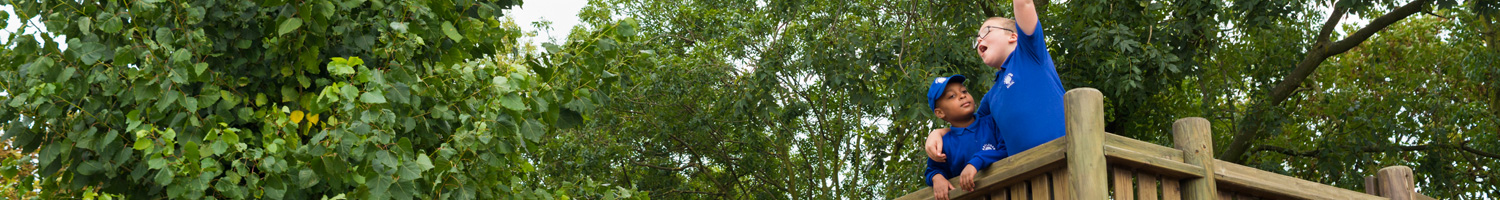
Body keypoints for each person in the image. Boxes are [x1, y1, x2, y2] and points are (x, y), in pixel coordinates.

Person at [924, 0, 1065, 164]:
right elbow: (969, 125)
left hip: (1064, 157)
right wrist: (939, 133)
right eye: (976, 40)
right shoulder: (992, 97)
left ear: (1013, 36)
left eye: (986, 32)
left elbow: (1024, 3)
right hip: (1026, 177)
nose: (979, 41)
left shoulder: (1029, 55)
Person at [921, 75, 1008, 200]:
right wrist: (937, 178)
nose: (962, 96)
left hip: (1005, 192)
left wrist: (975, 162)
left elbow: (1006, 149)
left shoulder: (992, 122)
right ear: (940, 113)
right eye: (952, 96)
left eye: (964, 91)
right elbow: (933, 169)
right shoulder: (944, 144)